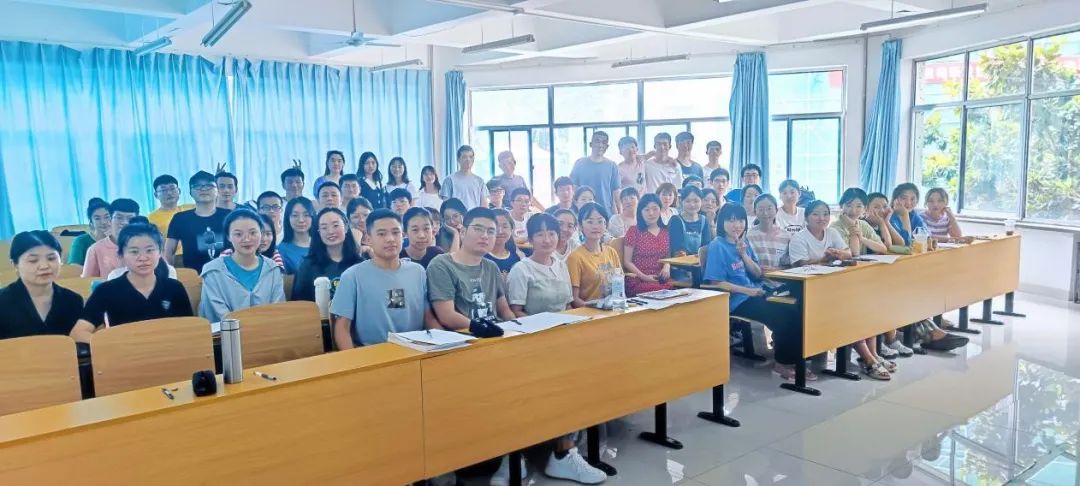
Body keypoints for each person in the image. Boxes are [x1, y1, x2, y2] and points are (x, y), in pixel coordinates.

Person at [505, 212, 607, 485]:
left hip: (565, 338)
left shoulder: (561, 264)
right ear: (530, 238)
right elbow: (515, 311)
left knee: (588, 376)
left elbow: (569, 303)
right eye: (540, 234)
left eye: (551, 233)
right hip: (534, 342)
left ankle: (565, 451)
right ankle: (546, 452)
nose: (547, 239)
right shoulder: (521, 269)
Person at [702, 203, 806, 381]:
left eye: (740, 220)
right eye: (731, 220)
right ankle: (783, 363)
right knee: (781, 315)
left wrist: (744, 255)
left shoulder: (744, 242)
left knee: (795, 309)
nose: (737, 225)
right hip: (737, 299)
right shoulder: (717, 246)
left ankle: (796, 358)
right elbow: (716, 282)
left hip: (757, 291)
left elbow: (757, 273)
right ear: (722, 222)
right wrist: (748, 291)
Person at [70, 223, 193, 343]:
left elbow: (190, 329)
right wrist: (110, 344)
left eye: (149, 250)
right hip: (125, 353)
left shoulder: (174, 288)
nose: (143, 258)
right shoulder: (106, 290)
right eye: (134, 252)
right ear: (121, 255)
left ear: (160, 253)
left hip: (168, 351)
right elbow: (78, 332)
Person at [332, 209, 438, 348]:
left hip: (416, 349)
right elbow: (342, 328)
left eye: (395, 232)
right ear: (368, 239)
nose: (390, 239)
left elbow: (428, 318)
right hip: (372, 352)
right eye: (382, 234)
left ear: (403, 235)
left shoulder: (418, 272)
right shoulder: (352, 276)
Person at [831, 188, 905, 371]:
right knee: (860, 310)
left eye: (859, 206)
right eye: (849, 205)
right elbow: (854, 253)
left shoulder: (863, 225)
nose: (854, 210)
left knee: (873, 306)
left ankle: (874, 354)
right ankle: (869, 358)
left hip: (861, 281)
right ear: (841, 206)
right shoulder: (835, 228)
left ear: (864, 209)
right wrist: (854, 234)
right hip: (841, 282)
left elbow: (883, 248)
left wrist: (862, 237)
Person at [427, 207, 516, 330]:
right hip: (466, 336)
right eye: (478, 229)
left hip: (497, 332)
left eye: (491, 231)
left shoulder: (491, 267)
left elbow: (504, 310)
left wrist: (518, 327)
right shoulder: (441, 265)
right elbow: (446, 316)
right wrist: (482, 329)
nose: (485, 236)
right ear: (463, 232)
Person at [199, 210, 286, 322]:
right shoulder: (212, 271)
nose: (247, 239)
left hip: (268, 330)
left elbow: (278, 310)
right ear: (228, 236)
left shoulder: (273, 269)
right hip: (227, 332)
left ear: (261, 233)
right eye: (238, 234)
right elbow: (218, 314)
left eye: (253, 233)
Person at [1, 231, 84, 339]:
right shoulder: (2, 301)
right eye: (33, 260)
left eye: (51, 258)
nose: (44, 266)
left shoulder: (73, 300)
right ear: (15, 264)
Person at [292, 208, 363, 302]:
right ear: (319, 233)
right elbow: (299, 303)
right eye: (324, 228)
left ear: (346, 227)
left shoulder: (360, 264)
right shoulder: (308, 266)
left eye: (335, 225)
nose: (330, 231)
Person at [165, 171, 229, 273]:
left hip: (228, 273)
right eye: (197, 186)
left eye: (209, 185)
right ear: (190, 192)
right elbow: (169, 251)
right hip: (194, 276)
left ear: (217, 190)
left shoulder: (230, 216)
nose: (203, 189)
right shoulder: (180, 219)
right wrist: (169, 275)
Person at [566, 203, 621, 308]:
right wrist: (598, 307)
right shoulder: (575, 258)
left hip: (613, 308)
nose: (595, 226)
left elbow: (620, 288)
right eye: (590, 222)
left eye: (600, 221)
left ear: (606, 225)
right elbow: (574, 300)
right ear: (580, 226)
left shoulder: (611, 252)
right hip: (589, 311)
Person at [623, 193, 674, 297]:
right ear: (640, 212)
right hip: (638, 279)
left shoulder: (666, 231)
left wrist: (667, 266)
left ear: (660, 210)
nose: (651, 213)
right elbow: (627, 262)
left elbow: (668, 256)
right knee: (664, 292)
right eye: (646, 210)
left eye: (655, 209)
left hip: (660, 278)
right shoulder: (633, 231)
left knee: (677, 290)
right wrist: (644, 277)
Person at [82, 198, 140, 278]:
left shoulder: (146, 246)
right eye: (119, 217)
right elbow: (87, 281)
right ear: (110, 219)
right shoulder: (95, 249)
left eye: (130, 218)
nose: (124, 222)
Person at [788, 200, 852, 266]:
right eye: (815, 214)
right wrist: (824, 259)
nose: (822, 218)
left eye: (825, 214)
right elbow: (800, 264)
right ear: (806, 218)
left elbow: (848, 253)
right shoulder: (798, 238)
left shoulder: (832, 232)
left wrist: (838, 253)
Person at [570, 131, 620, 215]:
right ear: (590, 144)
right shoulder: (579, 163)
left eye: (604, 143)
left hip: (605, 213)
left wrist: (620, 214)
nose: (600, 145)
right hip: (583, 213)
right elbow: (573, 189)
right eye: (597, 141)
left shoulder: (612, 166)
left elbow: (616, 193)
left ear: (607, 146)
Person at [147, 175, 194, 258]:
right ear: (156, 195)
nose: (169, 193)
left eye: (172, 188)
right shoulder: (151, 218)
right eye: (163, 190)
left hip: (199, 253)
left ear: (179, 191)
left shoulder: (192, 208)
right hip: (174, 258)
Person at [669, 186, 714, 263]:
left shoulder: (704, 220)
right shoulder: (676, 220)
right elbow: (678, 248)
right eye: (688, 201)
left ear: (701, 201)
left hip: (700, 264)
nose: (692, 205)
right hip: (681, 265)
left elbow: (706, 245)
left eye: (696, 201)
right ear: (681, 202)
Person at [745, 194, 790, 272]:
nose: (765, 213)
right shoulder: (748, 236)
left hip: (780, 278)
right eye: (761, 209)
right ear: (755, 212)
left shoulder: (786, 236)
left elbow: (790, 266)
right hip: (755, 278)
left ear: (776, 210)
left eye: (769, 209)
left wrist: (775, 270)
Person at [439, 145, 489, 210]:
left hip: (475, 215)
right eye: (464, 157)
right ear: (458, 159)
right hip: (456, 215)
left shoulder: (480, 181)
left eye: (471, 157)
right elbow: (446, 205)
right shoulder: (449, 180)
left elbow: (484, 205)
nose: (468, 160)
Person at [278, 197, 316, 274]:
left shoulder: (322, 244)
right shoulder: (281, 250)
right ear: (288, 218)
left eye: (306, 215)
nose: (301, 220)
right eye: (295, 215)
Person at [69, 198, 111, 266]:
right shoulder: (81, 241)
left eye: (107, 217)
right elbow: (74, 267)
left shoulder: (118, 240)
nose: (103, 222)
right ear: (91, 222)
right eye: (97, 218)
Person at [486, 209, 524, 278]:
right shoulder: (480, 256)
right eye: (495, 226)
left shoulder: (518, 257)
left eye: (505, 227)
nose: (500, 231)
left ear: (511, 230)